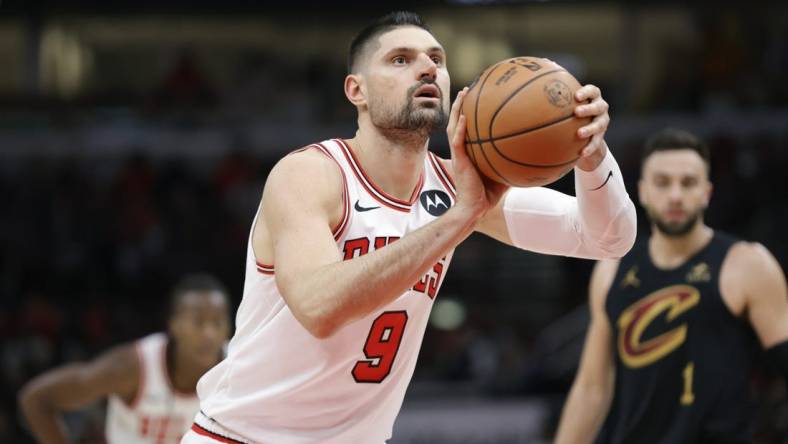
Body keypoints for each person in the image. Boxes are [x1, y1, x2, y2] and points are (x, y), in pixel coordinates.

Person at [185, 11, 637, 444]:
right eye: (400, 59)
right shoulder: (311, 174)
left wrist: (593, 157)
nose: (426, 68)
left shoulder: (457, 186)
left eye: (436, 60)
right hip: (242, 437)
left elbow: (608, 239)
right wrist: (460, 218)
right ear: (356, 90)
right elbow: (319, 307)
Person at [554, 128, 788, 444]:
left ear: (706, 191)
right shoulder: (612, 268)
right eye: (663, 183)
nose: (675, 195)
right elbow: (592, 389)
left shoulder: (747, 263)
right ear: (643, 192)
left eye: (688, 183)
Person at [19, 274, 231, 444]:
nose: (209, 333)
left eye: (217, 322)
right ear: (174, 325)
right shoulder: (133, 367)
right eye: (198, 322)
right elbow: (36, 399)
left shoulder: (239, 368)